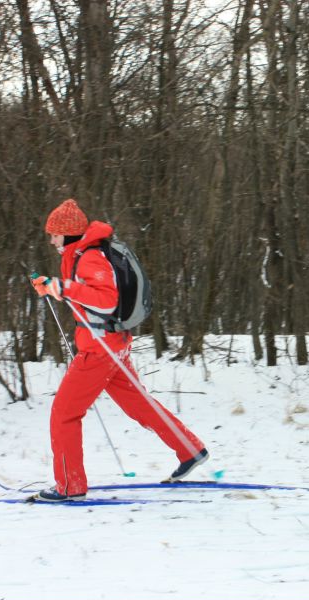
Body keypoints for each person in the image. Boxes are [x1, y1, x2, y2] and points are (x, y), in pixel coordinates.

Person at [30, 198, 208, 501]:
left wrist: (62, 287)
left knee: (64, 414)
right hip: (112, 345)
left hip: (99, 350)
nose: (51, 240)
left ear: (69, 234)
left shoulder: (89, 258)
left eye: (55, 234)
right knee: (139, 404)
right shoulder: (82, 255)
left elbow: (106, 301)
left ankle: (70, 486)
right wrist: (53, 286)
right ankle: (190, 450)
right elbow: (88, 299)